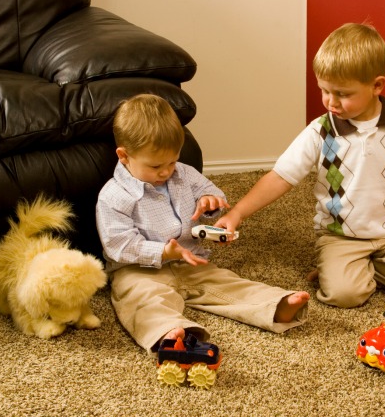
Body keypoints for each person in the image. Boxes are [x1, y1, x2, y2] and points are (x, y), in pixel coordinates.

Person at [216, 23, 385, 309]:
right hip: (340, 236)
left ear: (377, 85)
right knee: (345, 296)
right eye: (324, 90)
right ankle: (343, 269)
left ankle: (355, 270)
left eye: (343, 94)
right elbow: (280, 177)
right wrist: (238, 213)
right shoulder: (320, 131)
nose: (331, 102)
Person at [96, 94, 309, 352]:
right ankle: (170, 332)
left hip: (191, 259)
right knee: (142, 299)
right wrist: (162, 252)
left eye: (171, 162)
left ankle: (274, 306)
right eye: (155, 166)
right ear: (124, 156)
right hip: (138, 270)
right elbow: (118, 244)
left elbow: (211, 193)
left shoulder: (184, 174)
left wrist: (210, 202)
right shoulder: (114, 196)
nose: (166, 172)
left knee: (225, 282)